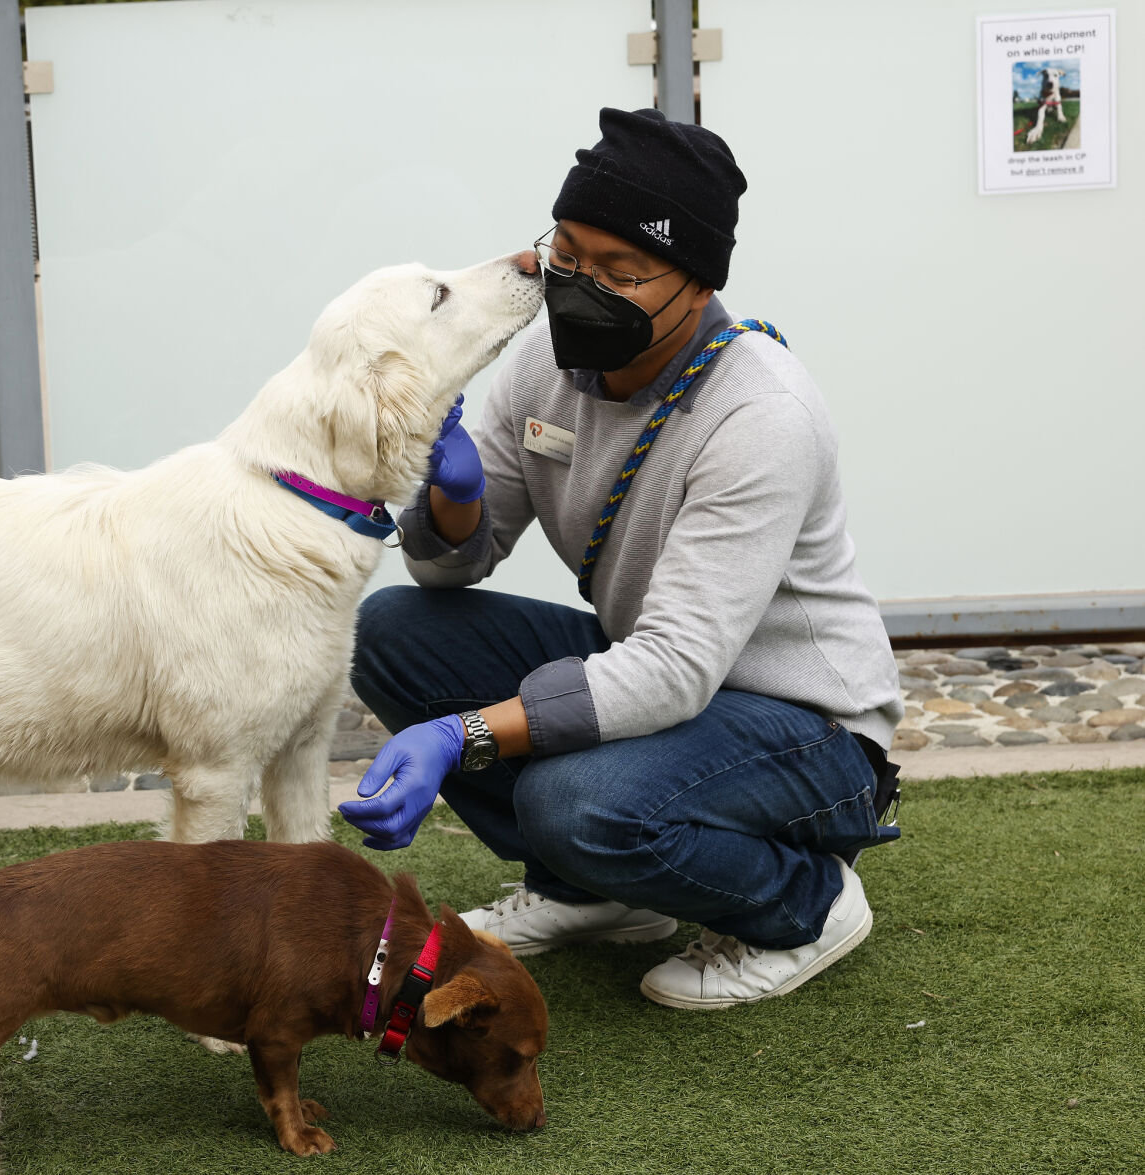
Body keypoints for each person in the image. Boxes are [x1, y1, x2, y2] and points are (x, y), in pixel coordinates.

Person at [338, 107, 902, 1009]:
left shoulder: (760, 417)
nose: (576, 285)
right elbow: (444, 573)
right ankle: (590, 889)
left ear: (694, 283)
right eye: (565, 252)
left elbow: (672, 672)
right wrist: (450, 497)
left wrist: (460, 735)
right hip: (667, 674)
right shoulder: (544, 365)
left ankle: (810, 900)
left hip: (810, 730)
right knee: (393, 633)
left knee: (573, 798)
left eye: (618, 271)